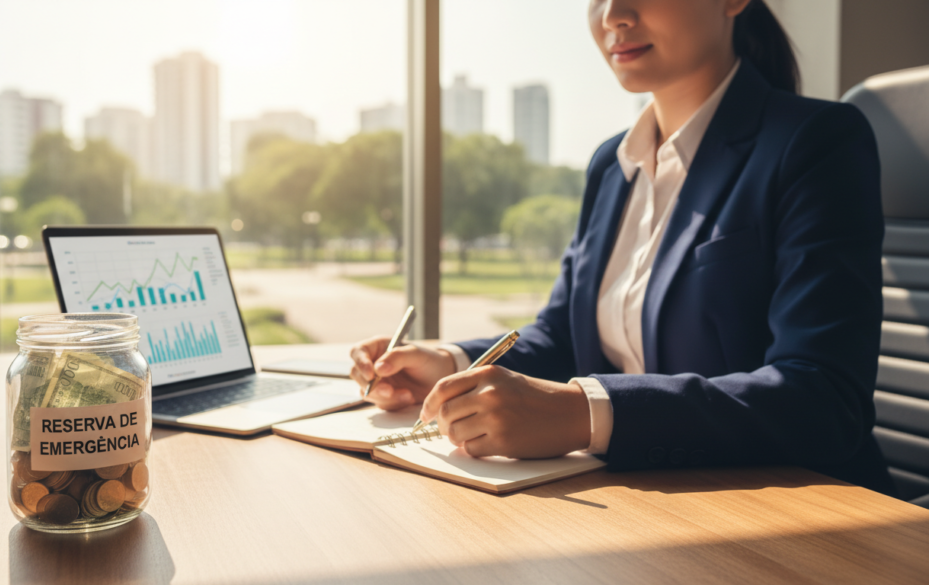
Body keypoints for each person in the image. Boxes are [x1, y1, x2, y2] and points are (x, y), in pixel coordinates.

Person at [349, 0, 895, 495]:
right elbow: (563, 335)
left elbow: (822, 399)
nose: (612, 14)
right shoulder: (613, 165)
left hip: (800, 513)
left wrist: (585, 414)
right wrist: (450, 363)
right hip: (648, 501)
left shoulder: (815, 141)